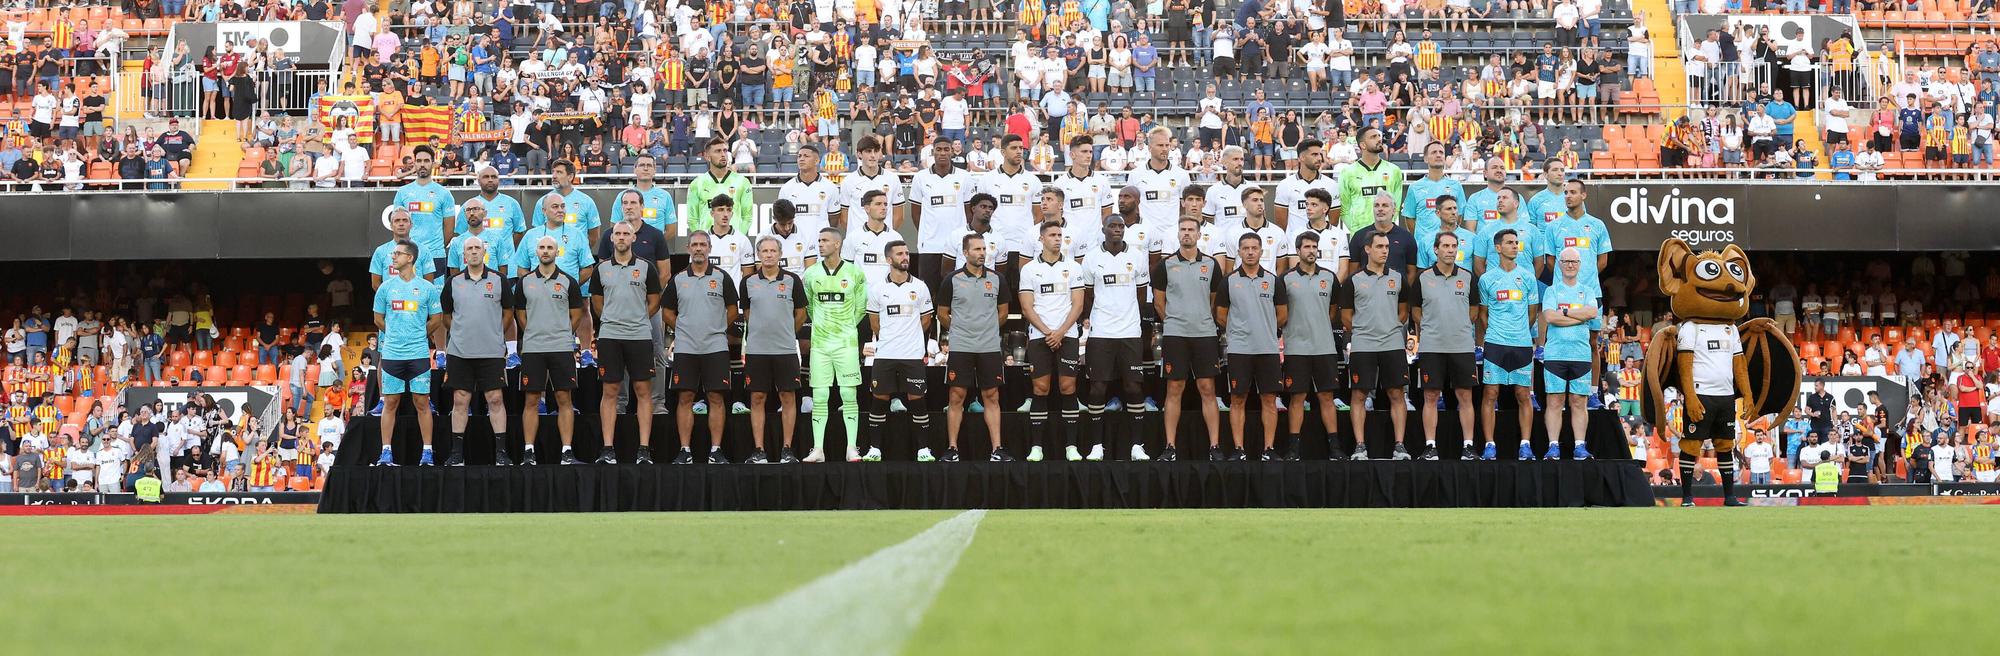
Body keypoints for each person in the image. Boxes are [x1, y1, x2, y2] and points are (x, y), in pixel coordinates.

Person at [1079, 214, 1154, 460]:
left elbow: (1142, 295)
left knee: (1133, 386)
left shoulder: (1136, 256)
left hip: (1130, 331)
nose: (1117, 229)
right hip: (1101, 332)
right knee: (1098, 388)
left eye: (1121, 226)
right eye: (1113, 226)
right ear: (1103, 229)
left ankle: (1137, 445)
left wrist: (1128, 316)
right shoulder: (1091, 258)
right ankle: (1096, 446)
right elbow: (1088, 295)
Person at [664, 231, 740, 465]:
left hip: (715, 347)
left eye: (702, 245)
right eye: (694, 245)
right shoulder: (678, 279)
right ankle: (684, 450)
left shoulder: (722, 277)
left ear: (709, 248)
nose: (698, 249)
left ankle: (715, 450)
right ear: (688, 248)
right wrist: (685, 328)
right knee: (685, 397)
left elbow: (733, 310)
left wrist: (716, 328)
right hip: (686, 347)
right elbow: (667, 312)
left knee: (716, 397)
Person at [592, 222, 665, 465]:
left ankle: (643, 449)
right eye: (618, 234)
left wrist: (639, 319)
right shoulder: (601, 269)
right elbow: (597, 304)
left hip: (639, 336)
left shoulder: (647, 268)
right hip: (610, 337)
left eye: (626, 233)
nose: (622, 237)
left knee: (643, 392)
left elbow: (654, 301)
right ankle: (608, 448)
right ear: (612, 238)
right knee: (610, 391)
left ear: (634, 238)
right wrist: (613, 321)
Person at [1154, 217, 1226, 462]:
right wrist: (1174, 321)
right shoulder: (1165, 265)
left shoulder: (1212, 264)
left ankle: (1215, 446)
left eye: (1191, 230)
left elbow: (1215, 299)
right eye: (1183, 230)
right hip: (1176, 335)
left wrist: (1201, 318)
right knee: (1175, 388)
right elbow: (1158, 301)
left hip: (1205, 334)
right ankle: (1170, 447)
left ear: (1199, 235)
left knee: (1208, 389)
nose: (1186, 234)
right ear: (1177, 234)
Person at [511, 236, 587, 465]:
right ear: (536, 252)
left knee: (564, 398)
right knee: (531, 399)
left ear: (557, 251)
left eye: (549, 248)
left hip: (561, 348)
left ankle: (566, 452)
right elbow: (520, 315)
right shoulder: (524, 282)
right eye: (542, 247)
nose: (545, 251)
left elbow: (577, 315)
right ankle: (528, 452)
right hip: (533, 348)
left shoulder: (568, 281)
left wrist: (561, 333)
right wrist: (535, 331)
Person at [1340, 231, 1414, 460]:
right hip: (1363, 345)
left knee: (1396, 394)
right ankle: (1360, 446)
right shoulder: (1353, 280)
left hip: (1392, 344)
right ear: (1368, 249)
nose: (1384, 251)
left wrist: (1388, 327)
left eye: (1387, 247)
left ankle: (1399, 445)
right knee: (1359, 395)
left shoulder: (1398, 278)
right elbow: (1346, 318)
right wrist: (1366, 330)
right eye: (1380, 246)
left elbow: (1403, 313)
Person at [1018, 222, 1089, 462]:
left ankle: (1071, 447)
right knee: (1041, 389)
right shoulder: (1028, 269)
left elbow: (1078, 304)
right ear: (1041, 239)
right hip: (1039, 337)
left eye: (1060, 235)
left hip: (1067, 336)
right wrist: (1049, 332)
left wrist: (1060, 332)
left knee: (1068, 388)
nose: (1058, 239)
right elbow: (1027, 308)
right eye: (1052, 235)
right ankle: (1036, 447)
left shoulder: (1073, 267)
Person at [440, 236, 512, 466]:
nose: (473, 252)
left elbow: (508, 314)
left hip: (491, 352)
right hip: (460, 353)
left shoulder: (500, 280)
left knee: (496, 399)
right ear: (464, 255)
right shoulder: (453, 282)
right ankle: (456, 453)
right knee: (460, 401)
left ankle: (501, 452)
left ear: (484, 252)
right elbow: (447, 317)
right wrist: (462, 334)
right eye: (469, 249)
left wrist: (493, 333)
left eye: (477, 248)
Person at [1675, 291, 1751, 507]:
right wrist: (1689, 396)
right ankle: (1687, 497)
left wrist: (1748, 395)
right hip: (1700, 395)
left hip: (1726, 397)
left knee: (1726, 445)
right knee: (1691, 445)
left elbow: (1740, 364)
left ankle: (1729, 496)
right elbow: (1684, 366)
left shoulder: (1732, 328)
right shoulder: (1690, 327)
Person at [372, 240, 444, 466]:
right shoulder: (385, 288)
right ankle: (386, 452)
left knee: (421, 402)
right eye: (393, 254)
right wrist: (394, 334)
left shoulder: (427, 288)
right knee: (390, 402)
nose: (393, 257)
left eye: (398, 254)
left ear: (410, 258)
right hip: (392, 354)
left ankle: (428, 452)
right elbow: (378, 318)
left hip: (419, 354)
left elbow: (437, 319)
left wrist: (418, 334)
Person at [1410, 232, 1482, 460]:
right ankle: (1430, 446)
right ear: (1435, 249)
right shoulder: (1422, 278)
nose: (1451, 250)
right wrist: (1435, 327)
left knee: (1465, 396)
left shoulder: (1468, 277)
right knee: (1430, 396)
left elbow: (1473, 312)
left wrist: (1456, 326)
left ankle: (1468, 446)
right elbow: (1416, 312)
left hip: (1461, 346)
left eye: (1454, 246)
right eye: (1446, 246)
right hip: (1432, 346)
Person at [1218, 232, 1288, 461]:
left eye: (1254, 248)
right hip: (1239, 349)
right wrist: (1240, 332)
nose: (1249, 252)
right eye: (1245, 248)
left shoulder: (1273, 279)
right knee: (1238, 399)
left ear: (1261, 251)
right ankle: (1239, 449)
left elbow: (1282, 315)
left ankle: (1268, 449)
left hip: (1267, 348)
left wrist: (1264, 329)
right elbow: (1220, 316)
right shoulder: (1228, 280)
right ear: (1238, 252)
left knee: (1269, 399)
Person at [803, 227, 871, 463]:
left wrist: (845, 326)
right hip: (820, 344)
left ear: (838, 244)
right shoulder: (810, 274)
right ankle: (818, 449)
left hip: (846, 344)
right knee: (820, 395)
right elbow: (809, 307)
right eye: (819, 240)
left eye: (825, 241)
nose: (820, 244)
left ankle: (852, 447)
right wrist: (824, 325)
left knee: (848, 393)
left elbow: (861, 307)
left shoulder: (855, 273)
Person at [940, 233, 1008, 462]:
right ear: (965, 252)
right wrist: (962, 329)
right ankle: (952, 449)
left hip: (989, 347)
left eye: (984, 249)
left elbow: (1003, 313)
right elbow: (942, 313)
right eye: (977, 249)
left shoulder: (998, 278)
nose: (982, 253)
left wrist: (985, 329)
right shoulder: (952, 279)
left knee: (992, 395)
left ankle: (997, 449)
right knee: (956, 396)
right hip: (961, 346)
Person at [741, 236, 809, 464]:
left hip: (786, 350)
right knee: (757, 397)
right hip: (757, 350)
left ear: (780, 254)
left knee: (788, 397)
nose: (769, 255)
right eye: (764, 251)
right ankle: (759, 450)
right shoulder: (748, 281)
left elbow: (801, 313)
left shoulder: (792, 280)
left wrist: (786, 332)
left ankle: (787, 449)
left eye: (773, 251)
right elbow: (748, 314)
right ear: (758, 255)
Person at [1479, 229, 1540, 461]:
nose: (1515, 246)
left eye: (1517, 242)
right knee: (1490, 393)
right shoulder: (1487, 279)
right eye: (1510, 243)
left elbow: (1532, 314)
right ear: (1498, 248)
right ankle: (1489, 445)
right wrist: (1496, 332)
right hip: (1495, 343)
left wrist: (1519, 332)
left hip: (1522, 344)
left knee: (1523, 394)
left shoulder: (1527, 277)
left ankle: (1525, 445)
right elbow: (1483, 315)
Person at [1540, 247, 1601, 461]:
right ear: (1559, 264)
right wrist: (1578, 316)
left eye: (1574, 261)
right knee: (1555, 401)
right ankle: (1553, 446)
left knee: (1578, 401)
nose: (1570, 265)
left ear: (1580, 264)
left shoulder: (1588, 291)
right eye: (1566, 261)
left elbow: (1592, 313)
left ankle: (1580, 446)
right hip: (1555, 354)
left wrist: (1564, 312)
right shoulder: (1552, 291)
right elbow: (1549, 317)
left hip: (1581, 355)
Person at [910, 135, 975, 294]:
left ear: (952, 152)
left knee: (956, 294)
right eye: (938, 150)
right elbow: (915, 213)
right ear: (933, 152)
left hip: (956, 246)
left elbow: (969, 212)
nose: (943, 153)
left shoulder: (964, 176)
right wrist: (927, 234)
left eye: (946, 149)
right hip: (929, 246)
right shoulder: (920, 177)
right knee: (929, 293)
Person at [978, 134, 1043, 270]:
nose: (1019, 151)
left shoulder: (1033, 180)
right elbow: (980, 214)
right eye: (1014, 148)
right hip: (995, 246)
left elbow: (1038, 216)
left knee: (1022, 289)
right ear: (1003, 152)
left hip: (1024, 247)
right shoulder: (987, 179)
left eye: (1021, 148)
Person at [394, 145, 458, 278]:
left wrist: (435, 247)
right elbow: (398, 227)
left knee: (435, 297)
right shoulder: (402, 193)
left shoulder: (444, 193)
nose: (422, 164)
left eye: (426, 161)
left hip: (436, 255)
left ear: (433, 164)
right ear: (414, 163)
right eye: (419, 161)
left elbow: (449, 230)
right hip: (409, 255)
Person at [1128, 127, 1191, 255]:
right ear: (1150, 147)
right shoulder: (1135, 175)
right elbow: (1132, 208)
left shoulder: (1181, 175)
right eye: (1160, 145)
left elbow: (1185, 208)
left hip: (1172, 237)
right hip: (1144, 237)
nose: (1165, 148)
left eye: (1167, 145)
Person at [1336, 126, 1407, 234]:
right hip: (1359, 237)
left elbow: (1395, 207)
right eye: (1373, 137)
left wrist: (1385, 229)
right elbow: (1344, 209)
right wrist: (1358, 232)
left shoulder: (1394, 171)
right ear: (1363, 145)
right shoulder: (1347, 173)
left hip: (1386, 236)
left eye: (1379, 136)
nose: (1379, 139)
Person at [686, 138, 756, 234]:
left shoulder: (742, 182)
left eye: (725, 151)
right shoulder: (697, 184)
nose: (723, 154)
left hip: (733, 244)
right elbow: (692, 219)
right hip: (708, 244)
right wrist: (702, 241)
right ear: (707, 157)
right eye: (718, 151)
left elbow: (747, 217)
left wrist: (738, 238)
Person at [369, 208, 436, 289]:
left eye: (405, 220)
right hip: (391, 301)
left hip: (416, 300)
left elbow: (429, 283)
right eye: (397, 220)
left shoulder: (423, 250)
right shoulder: (380, 251)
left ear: (411, 225)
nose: (401, 224)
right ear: (391, 225)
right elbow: (376, 284)